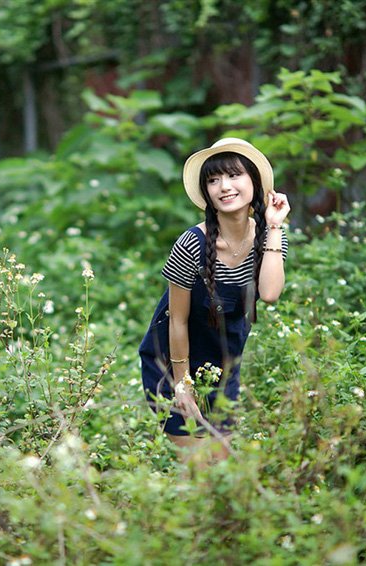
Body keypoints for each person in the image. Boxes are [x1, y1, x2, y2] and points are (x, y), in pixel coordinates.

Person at [139, 138, 290, 462]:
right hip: (173, 364)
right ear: (206, 192)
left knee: (224, 471)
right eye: (213, 180)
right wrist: (183, 385)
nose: (224, 186)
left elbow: (270, 294)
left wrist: (275, 227)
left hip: (224, 363)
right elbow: (176, 320)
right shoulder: (191, 244)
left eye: (234, 175)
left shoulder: (270, 237)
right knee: (198, 470)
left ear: (255, 182)